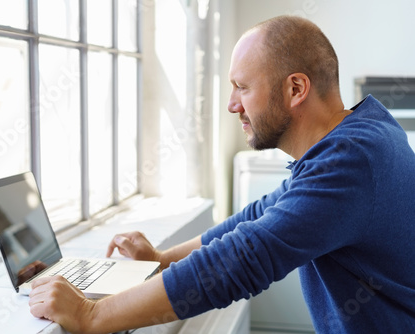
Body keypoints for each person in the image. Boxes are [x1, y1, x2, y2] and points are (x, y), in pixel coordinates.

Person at [29, 15, 415, 333]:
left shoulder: (350, 159)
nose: (232, 105)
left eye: (242, 87)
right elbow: (259, 216)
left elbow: (245, 257)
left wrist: (91, 315)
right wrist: (162, 259)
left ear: (295, 88)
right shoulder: (366, 131)